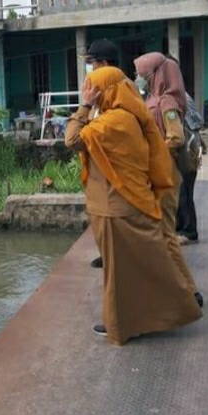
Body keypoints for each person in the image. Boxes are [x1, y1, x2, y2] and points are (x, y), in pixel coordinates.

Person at [65, 66, 202, 345]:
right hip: (123, 202)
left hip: (116, 207)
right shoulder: (126, 115)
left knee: (120, 274)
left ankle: (123, 325)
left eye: (95, 89)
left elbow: (73, 139)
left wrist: (84, 106)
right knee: (138, 267)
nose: (90, 93)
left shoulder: (115, 121)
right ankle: (160, 312)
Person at [134, 52, 203, 307]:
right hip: (159, 173)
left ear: (157, 75)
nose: (140, 80)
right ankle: (180, 291)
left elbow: (176, 137)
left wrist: (154, 153)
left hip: (167, 172)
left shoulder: (168, 102)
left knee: (164, 235)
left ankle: (189, 293)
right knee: (162, 235)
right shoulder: (153, 98)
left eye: (143, 75)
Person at [83, 38, 120, 269]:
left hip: (111, 169)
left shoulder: (119, 91)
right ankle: (106, 253)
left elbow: (73, 139)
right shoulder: (102, 94)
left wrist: (84, 107)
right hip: (97, 168)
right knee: (98, 218)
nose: (91, 69)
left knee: (111, 218)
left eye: (92, 64)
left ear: (104, 63)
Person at [175, 91, 206, 244]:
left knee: (184, 191)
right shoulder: (176, 93)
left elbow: (195, 123)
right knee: (181, 191)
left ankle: (188, 231)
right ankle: (180, 227)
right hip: (187, 148)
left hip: (186, 150)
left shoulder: (177, 96)